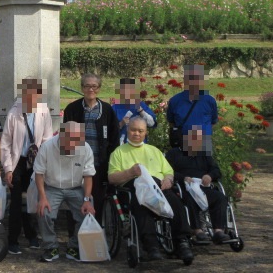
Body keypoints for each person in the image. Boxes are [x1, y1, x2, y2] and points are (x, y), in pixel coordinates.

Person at [108, 116, 193, 262]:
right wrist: (130, 172)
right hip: (134, 188)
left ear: (146, 132)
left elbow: (168, 171)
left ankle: (182, 242)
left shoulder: (154, 151)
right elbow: (112, 178)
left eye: (140, 131)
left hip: (159, 187)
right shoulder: (119, 152)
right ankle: (151, 245)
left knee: (175, 201)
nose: (137, 133)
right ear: (127, 130)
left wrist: (168, 179)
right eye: (133, 130)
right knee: (141, 203)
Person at [0, 78, 53, 254]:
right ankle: (13, 239)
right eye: (27, 93)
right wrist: (8, 168)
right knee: (16, 201)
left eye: (34, 94)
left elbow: (47, 140)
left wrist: (43, 164)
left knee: (33, 198)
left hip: (36, 161)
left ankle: (32, 235)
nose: (30, 97)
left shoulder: (43, 111)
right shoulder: (14, 112)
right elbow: (5, 143)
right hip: (18, 161)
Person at [63, 73, 120, 230]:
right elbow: (66, 139)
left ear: (99, 88)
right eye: (87, 86)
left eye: (94, 86)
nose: (90, 89)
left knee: (97, 202)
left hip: (98, 165)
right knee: (74, 202)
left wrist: (109, 162)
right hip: (76, 165)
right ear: (82, 88)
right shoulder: (72, 109)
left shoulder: (107, 110)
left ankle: (95, 233)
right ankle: (74, 236)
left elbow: (114, 138)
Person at [34, 121, 96, 262]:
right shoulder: (47, 147)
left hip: (76, 187)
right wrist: (42, 197)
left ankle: (74, 246)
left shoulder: (85, 148)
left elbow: (88, 176)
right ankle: (50, 247)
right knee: (44, 211)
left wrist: (87, 199)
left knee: (88, 211)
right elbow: (39, 173)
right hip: (52, 186)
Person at [165, 126, 230, 244]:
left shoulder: (204, 153)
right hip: (184, 187)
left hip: (203, 186)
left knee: (220, 197)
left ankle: (218, 231)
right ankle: (197, 231)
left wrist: (210, 176)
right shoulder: (173, 153)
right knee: (189, 199)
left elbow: (216, 170)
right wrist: (183, 178)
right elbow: (167, 171)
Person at [167, 64, 218, 151]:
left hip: (203, 146)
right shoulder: (175, 101)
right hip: (182, 145)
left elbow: (213, 121)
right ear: (185, 80)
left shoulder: (209, 101)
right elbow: (171, 122)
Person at [112, 78, 157, 144]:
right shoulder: (115, 107)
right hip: (121, 144)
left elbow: (151, 124)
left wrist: (142, 112)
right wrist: (121, 124)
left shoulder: (141, 105)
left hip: (139, 144)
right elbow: (109, 129)